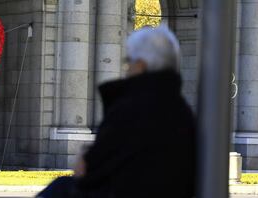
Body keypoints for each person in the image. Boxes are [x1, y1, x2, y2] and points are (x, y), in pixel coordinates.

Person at [36, 24, 196, 198]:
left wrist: (84, 159)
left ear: (141, 65)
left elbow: (90, 172)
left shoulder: (130, 110)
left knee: (60, 187)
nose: (126, 69)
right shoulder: (185, 114)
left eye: (128, 61)